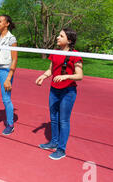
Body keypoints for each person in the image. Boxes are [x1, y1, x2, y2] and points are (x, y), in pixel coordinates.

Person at [35, 28, 83, 160]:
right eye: (58, 35)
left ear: (69, 40)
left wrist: (66, 77)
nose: (57, 37)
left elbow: (79, 76)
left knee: (64, 120)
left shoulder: (75, 55)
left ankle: (61, 149)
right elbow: (51, 70)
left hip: (68, 91)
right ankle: (54, 142)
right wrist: (43, 76)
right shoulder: (55, 52)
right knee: (54, 118)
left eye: (61, 36)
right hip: (54, 90)